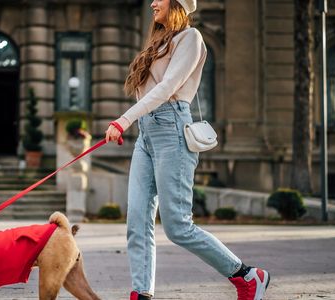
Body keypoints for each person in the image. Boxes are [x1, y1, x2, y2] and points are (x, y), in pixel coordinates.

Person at [105, 0, 270, 299]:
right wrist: (134, 122)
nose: (153, 2)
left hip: (172, 131)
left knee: (178, 226)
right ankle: (141, 293)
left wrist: (124, 120)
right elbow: (148, 91)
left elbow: (168, 87)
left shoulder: (191, 39)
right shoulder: (157, 43)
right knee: (137, 221)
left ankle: (247, 276)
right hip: (147, 135)